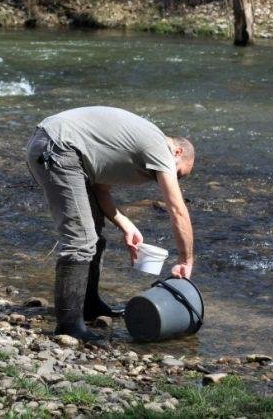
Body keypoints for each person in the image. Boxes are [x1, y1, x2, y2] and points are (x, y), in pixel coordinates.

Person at [26, 106, 195, 342]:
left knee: (93, 229)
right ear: (177, 152)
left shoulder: (144, 146)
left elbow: (100, 189)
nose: (174, 179)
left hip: (57, 144)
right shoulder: (161, 149)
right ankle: (68, 325)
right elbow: (177, 209)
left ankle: (89, 305)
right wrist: (186, 260)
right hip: (57, 147)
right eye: (178, 174)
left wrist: (124, 223)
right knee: (80, 241)